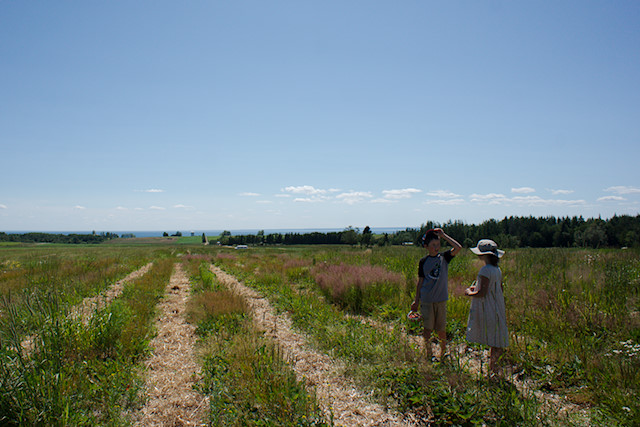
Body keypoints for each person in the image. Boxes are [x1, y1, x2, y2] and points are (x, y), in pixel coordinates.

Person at [411, 228, 462, 360]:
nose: (436, 248)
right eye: (433, 245)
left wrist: (444, 235)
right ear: (426, 246)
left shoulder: (444, 258)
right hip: (427, 300)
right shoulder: (423, 262)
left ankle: (443, 353)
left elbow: (458, 247)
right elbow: (420, 282)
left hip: (441, 300)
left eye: (438, 245)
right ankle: (429, 354)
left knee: (441, 329)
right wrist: (416, 301)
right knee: (427, 329)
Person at [465, 239, 509, 375]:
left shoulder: (485, 270)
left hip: (488, 306)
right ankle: (494, 367)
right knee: (497, 338)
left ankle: (493, 368)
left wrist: (469, 292)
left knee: (492, 337)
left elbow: (482, 293)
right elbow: (498, 288)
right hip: (496, 305)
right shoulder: (497, 269)